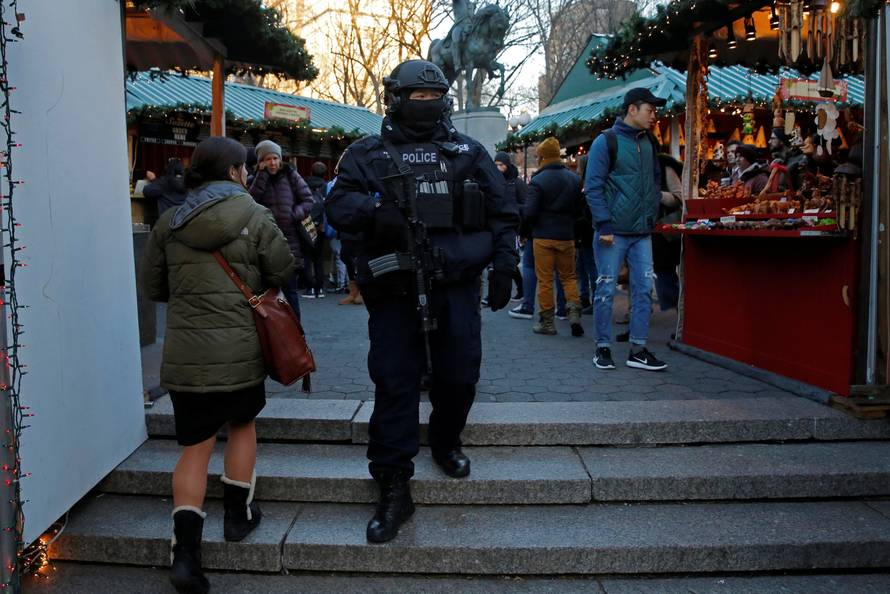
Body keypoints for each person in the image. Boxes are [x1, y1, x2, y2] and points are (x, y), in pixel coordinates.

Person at [326, 59, 518, 544]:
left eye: (435, 100)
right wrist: (374, 212)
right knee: (394, 380)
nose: (428, 108)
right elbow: (336, 206)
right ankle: (393, 483)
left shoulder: (468, 153)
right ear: (395, 100)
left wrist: (504, 266)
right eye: (418, 100)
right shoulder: (367, 153)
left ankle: (446, 438)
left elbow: (503, 213)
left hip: (455, 283)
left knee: (459, 373)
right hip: (394, 287)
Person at [141, 137, 295, 594]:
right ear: (233, 172)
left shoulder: (169, 221)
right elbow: (282, 270)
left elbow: (154, 286)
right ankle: (237, 517)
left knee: (194, 448)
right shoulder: (254, 214)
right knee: (242, 427)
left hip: (188, 354)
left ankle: (185, 556)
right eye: (245, 168)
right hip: (241, 349)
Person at [584, 87, 669, 372]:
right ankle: (603, 347)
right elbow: (592, 187)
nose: (654, 116)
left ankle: (638, 348)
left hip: (641, 231)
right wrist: (604, 224)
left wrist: (652, 215)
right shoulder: (605, 141)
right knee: (606, 289)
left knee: (644, 289)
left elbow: (655, 183)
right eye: (650, 110)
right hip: (613, 232)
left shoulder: (650, 142)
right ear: (632, 109)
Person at [523, 137, 585, 337]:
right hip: (566, 236)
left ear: (542, 157)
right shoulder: (574, 179)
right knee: (569, 277)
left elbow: (529, 212)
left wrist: (525, 231)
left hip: (543, 236)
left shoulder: (538, 180)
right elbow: (579, 211)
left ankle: (547, 322)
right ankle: (574, 313)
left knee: (545, 280)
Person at [248, 140, 315, 317]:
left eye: (275, 158)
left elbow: (308, 200)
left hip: (290, 240)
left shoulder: (291, 175)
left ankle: (296, 334)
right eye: (268, 159)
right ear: (261, 161)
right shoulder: (253, 178)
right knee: (267, 292)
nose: (273, 163)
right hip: (265, 240)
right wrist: (261, 175)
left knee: (290, 290)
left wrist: (295, 214)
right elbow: (251, 202)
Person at [494, 151, 526, 302]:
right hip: (500, 225)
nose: (498, 168)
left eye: (501, 165)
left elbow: (526, 205)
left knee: (511, 260)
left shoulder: (517, 183)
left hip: (514, 227)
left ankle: (521, 288)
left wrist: (512, 208)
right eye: (496, 165)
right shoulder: (495, 181)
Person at [302, 161, 330, 299]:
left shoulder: (304, 184)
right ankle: (320, 288)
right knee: (318, 258)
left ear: (311, 171)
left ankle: (309, 288)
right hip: (320, 226)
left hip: (307, 224)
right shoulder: (325, 187)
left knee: (307, 257)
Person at [575, 153, 596, 314]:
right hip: (586, 233)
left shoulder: (586, 187)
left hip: (586, 233)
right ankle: (585, 298)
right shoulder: (588, 185)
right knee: (584, 266)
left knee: (588, 267)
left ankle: (592, 299)